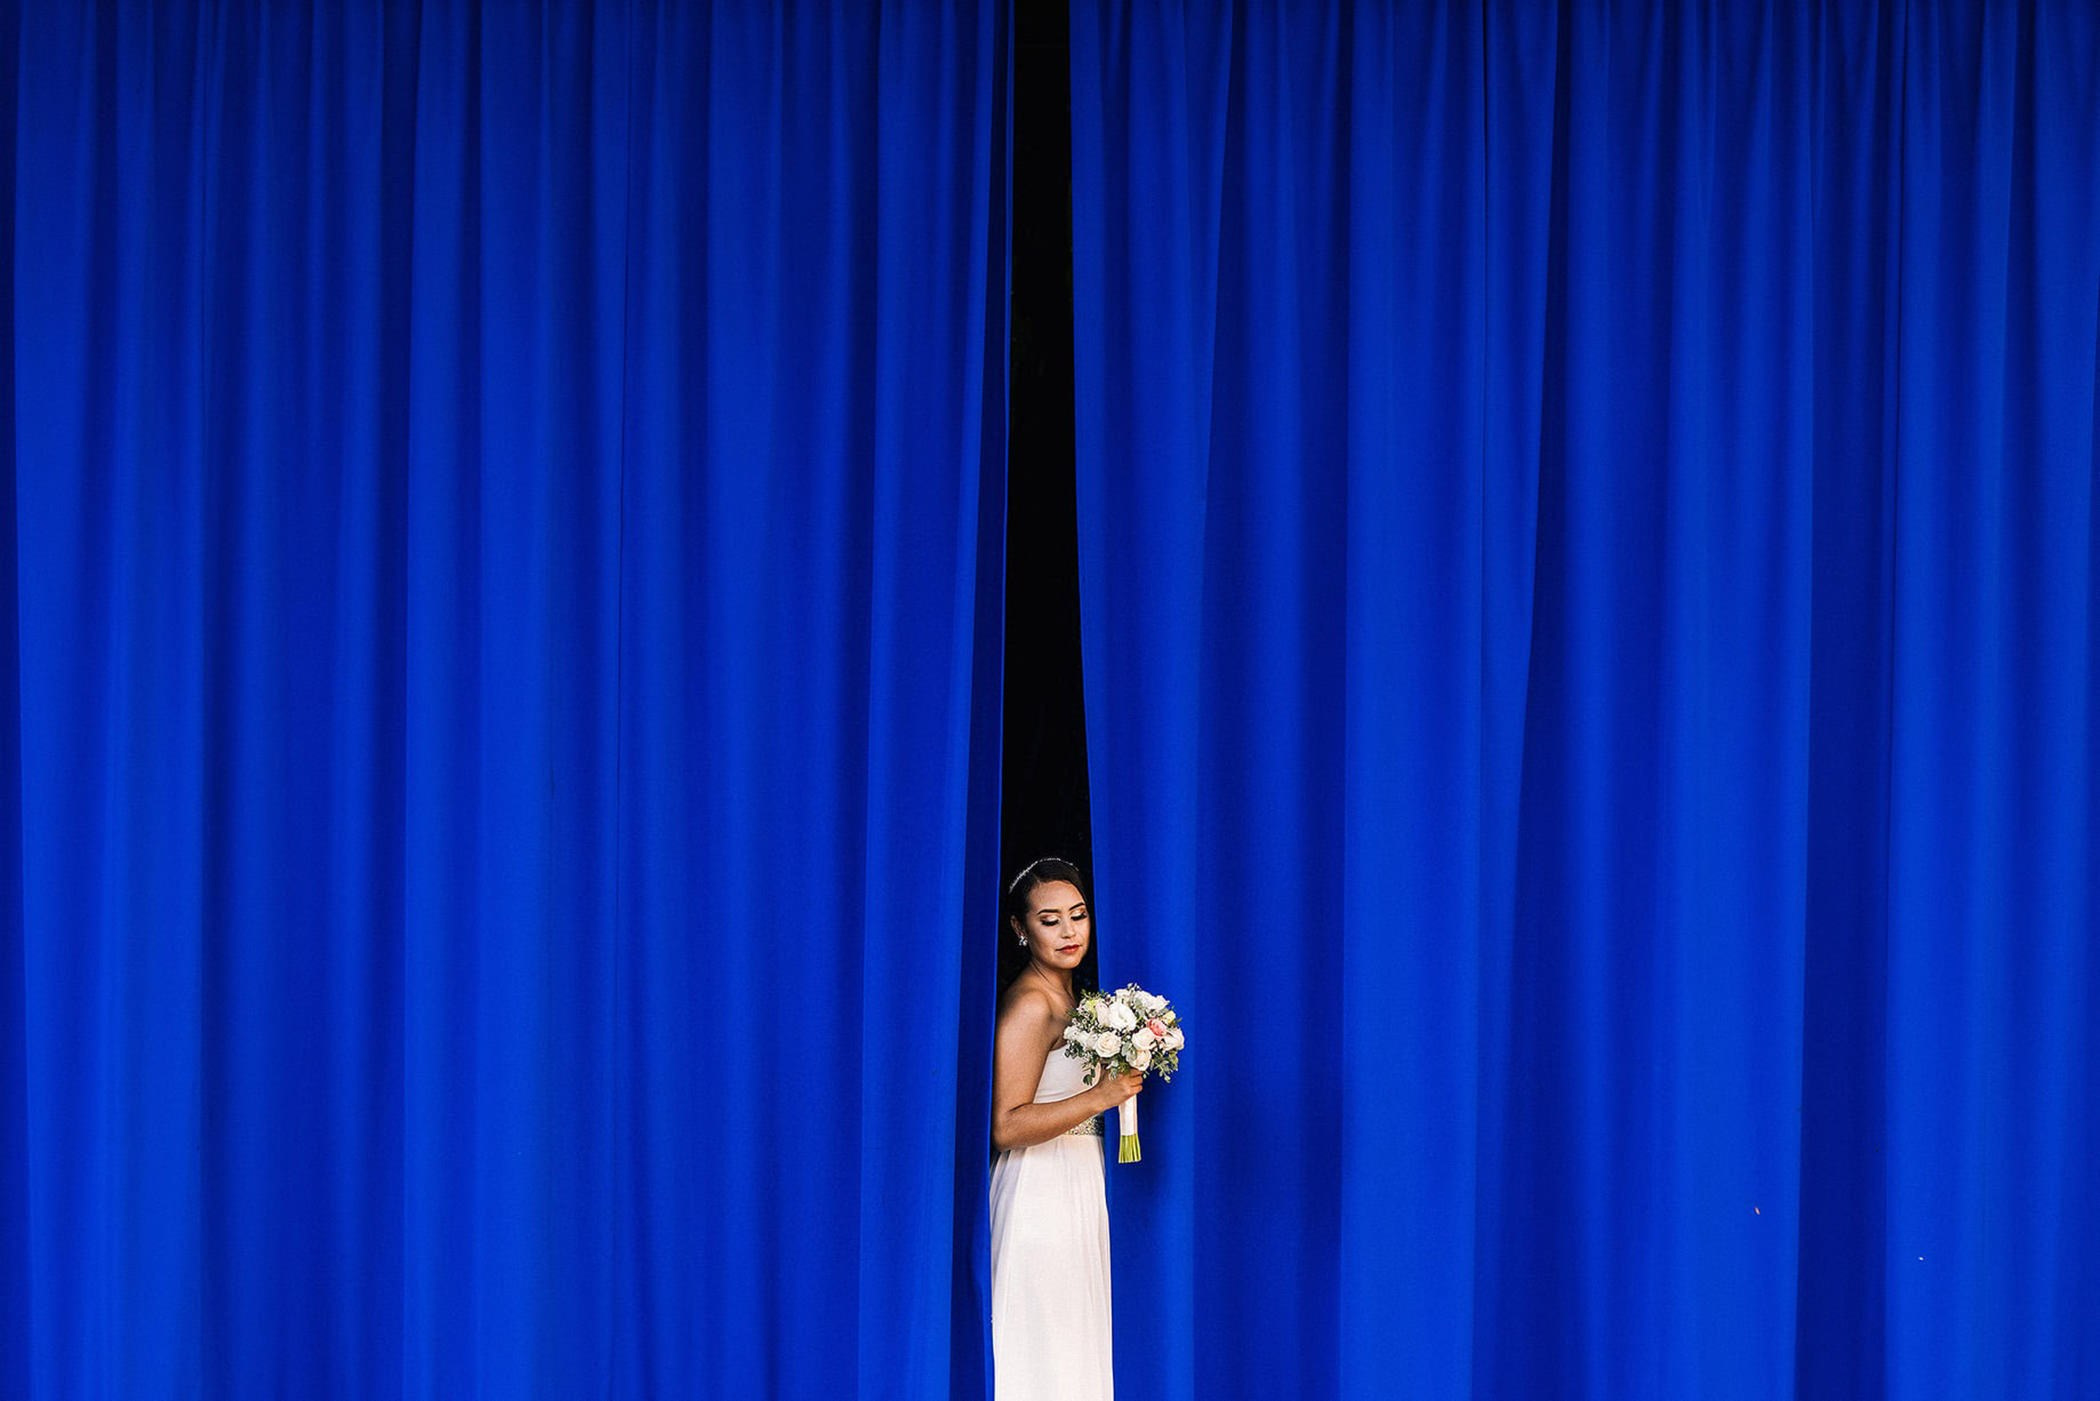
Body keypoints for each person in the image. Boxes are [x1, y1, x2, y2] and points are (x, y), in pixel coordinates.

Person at [988, 857, 1142, 1401]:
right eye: (1049, 920)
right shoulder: (1032, 1003)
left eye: (1078, 915)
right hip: (1041, 1190)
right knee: (1047, 1345)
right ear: (1020, 929)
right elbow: (1005, 1124)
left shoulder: (1071, 999)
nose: (1069, 931)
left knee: (1075, 1343)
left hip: (1077, 1180)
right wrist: (1101, 1097)